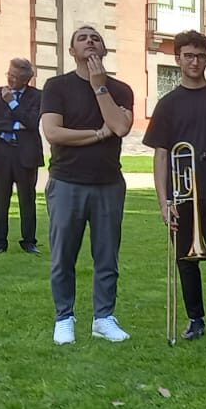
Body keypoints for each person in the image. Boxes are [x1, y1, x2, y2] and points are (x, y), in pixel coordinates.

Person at [145, 30, 206, 343]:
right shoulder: (168, 104)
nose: (195, 61)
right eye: (188, 55)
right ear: (178, 58)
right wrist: (164, 202)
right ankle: (195, 318)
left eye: (200, 55)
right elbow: (161, 156)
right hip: (182, 195)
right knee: (186, 260)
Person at [41, 25, 135, 345]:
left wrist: (99, 87)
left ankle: (103, 318)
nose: (90, 41)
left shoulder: (120, 90)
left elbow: (120, 126)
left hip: (108, 183)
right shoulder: (56, 86)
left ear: (104, 50)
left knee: (106, 256)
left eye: (95, 38)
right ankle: (64, 318)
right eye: (82, 38)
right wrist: (96, 135)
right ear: (72, 52)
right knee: (63, 255)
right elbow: (53, 133)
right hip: (67, 181)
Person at [0, 58, 45, 254]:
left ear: (26, 80)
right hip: (2, 153)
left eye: (15, 77)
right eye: (9, 74)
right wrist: (16, 126)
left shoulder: (37, 96)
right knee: (1, 200)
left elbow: (33, 122)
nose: (10, 80)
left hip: (25, 154)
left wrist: (12, 104)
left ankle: (29, 242)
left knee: (27, 200)